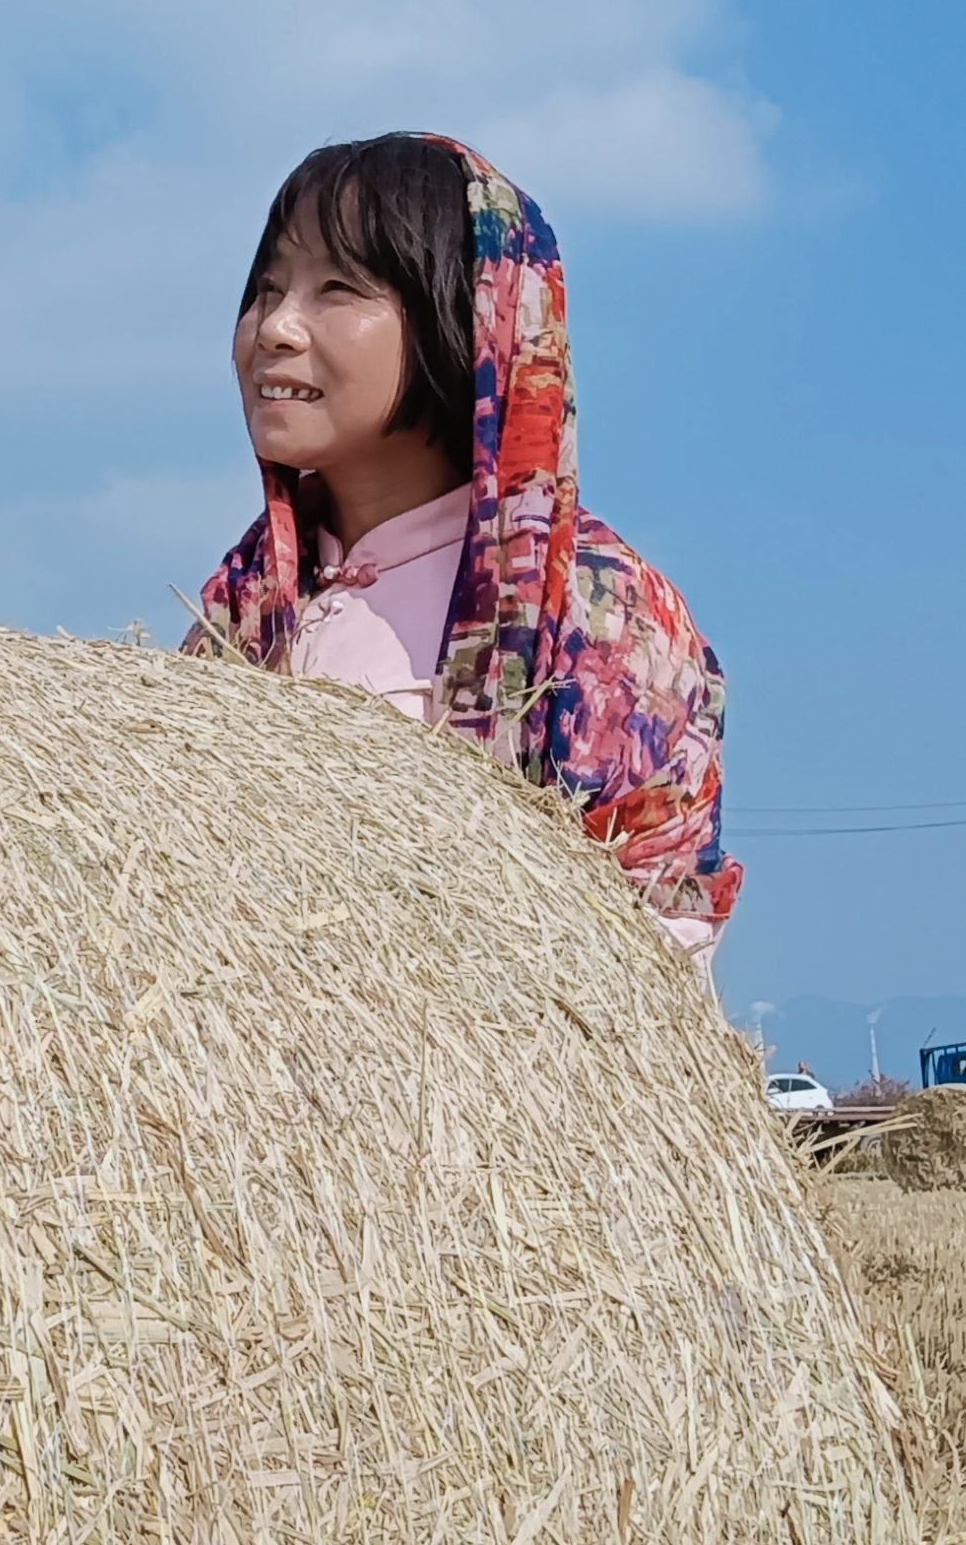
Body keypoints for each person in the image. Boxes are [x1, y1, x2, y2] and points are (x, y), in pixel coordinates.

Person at [183, 131, 741, 970]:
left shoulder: (597, 621)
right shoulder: (240, 606)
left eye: (336, 287)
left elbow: (653, 969)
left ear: (474, 322)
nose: (275, 327)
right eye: (266, 289)